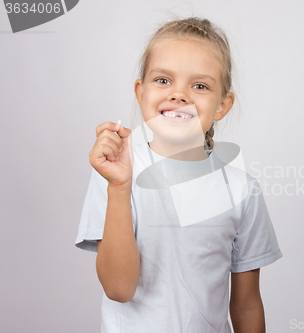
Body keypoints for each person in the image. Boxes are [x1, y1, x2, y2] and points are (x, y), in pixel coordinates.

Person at [75, 17, 282, 333]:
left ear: (222, 105)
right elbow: (118, 289)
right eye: (163, 80)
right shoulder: (116, 171)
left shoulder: (242, 190)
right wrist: (118, 187)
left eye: (199, 85)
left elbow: (247, 303)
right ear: (140, 92)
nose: (179, 94)